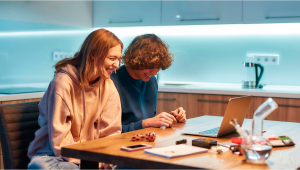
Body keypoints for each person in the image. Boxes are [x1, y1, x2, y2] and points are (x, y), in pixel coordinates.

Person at [27, 29, 123, 170]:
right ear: (93, 54)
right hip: (55, 155)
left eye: (119, 59)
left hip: (91, 154)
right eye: (112, 58)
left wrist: (103, 158)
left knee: (129, 163)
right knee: (41, 166)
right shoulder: (63, 83)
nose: (117, 65)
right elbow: (60, 140)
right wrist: (90, 162)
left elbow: (111, 132)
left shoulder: (108, 86)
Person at [110, 34, 186, 133]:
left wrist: (171, 117)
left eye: (158, 68)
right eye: (150, 67)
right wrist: (146, 123)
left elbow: (148, 120)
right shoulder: (111, 81)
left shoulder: (151, 81)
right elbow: (108, 131)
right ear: (137, 60)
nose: (154, 73)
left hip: (145, 140)